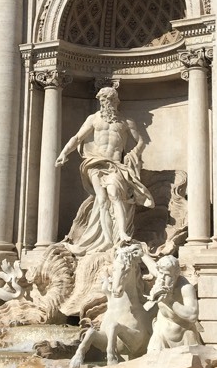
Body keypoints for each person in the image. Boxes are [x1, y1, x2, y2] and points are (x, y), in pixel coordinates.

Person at [56, 86, 154, 254]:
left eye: (106, 100)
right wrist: (64, 153)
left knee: (115, 195)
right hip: (95, 163)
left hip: (115, 165)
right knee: (102, 200)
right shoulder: (93, 119)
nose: (103, 103)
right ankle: (108, 240)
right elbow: (78, 137)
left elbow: (141, 141)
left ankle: (122, 233)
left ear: (114, 101)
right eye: (101, 100)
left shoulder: (125, 121)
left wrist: (133, 154)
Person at [142, 254, 203, 352]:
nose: (161, 278)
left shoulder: (186, 288)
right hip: (161, 332)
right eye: (160, 273)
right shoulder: (162, 277)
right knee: (152, 361)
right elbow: (152, 266)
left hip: (184, 334)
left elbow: (193, 315)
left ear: (177, 274)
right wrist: (141, 252)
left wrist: (169, 301)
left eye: (167, 275)